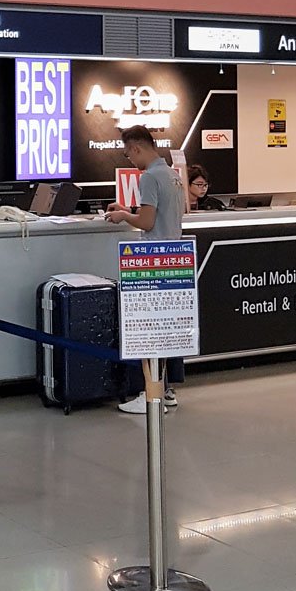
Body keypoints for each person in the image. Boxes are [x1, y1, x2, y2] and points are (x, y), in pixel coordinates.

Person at [105, 124, 186, 412]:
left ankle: (150, 395)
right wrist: (129, 209)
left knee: (149, 332)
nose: (130, 160)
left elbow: (148, 223)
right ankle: (165, 390)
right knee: (165, 330)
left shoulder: (150, 177)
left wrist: (125, 215)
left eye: (128, 154)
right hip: (174, 260)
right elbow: (162, 215)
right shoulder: (172, 176)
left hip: (153, 262)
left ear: (137, 148)